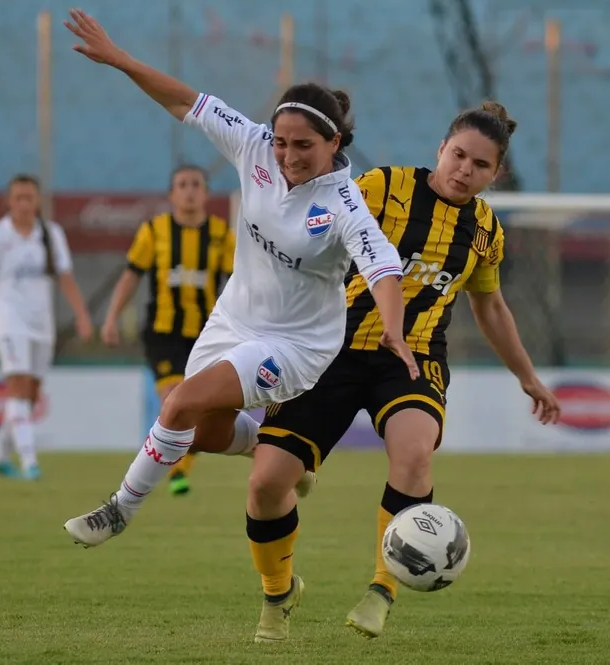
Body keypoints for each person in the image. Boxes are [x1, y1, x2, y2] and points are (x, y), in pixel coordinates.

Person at [60, 5, 416, 594]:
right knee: (198, 430)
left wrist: (394, 327)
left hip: (296, 343)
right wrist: (120, 60)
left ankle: (118, 509)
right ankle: (281, 454)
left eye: (303, 145)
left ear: (334, 143)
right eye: (281, 142)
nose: (288, 155)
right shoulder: (253, 147)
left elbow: (381, 269)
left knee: (176, 405)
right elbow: (185, 101)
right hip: (234, 320)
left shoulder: (346, 204)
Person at [190, 101, 562, 641]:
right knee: (267, 483)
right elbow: (312, 215)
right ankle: (278, 592)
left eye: (480, 166)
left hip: (412, 359)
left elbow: (491, 308)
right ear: (441, 149)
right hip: (328, 350)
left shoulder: (485, 231)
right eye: (458, 155)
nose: (464, 170)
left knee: (413, 453)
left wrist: (528, 377)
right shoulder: (382, 186)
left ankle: (383, 588)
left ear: (495, 173)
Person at [101, 165, 236, 496]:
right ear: (171, 194)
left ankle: (180, 468)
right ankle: (176, 470)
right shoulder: (154, 231)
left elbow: (238, 284)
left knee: (200, 409)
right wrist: (111, 318)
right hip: (165, 334)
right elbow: (131, 275)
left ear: (205, 193)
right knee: (174, 399)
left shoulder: (221, 236)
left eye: (196, 185)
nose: (189, 191)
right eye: (182, 185)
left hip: (207, 334)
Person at [0, 173, 94, 480]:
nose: (23, 203)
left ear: (38, 202)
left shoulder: (50, 235)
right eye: (18, 197)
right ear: (8, 201)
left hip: (41, 324)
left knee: (31, 395)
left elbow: (65, 277)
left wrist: (82, 316)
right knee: (18, 387)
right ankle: (30, 462)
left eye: (29, 197)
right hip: (8, 322)